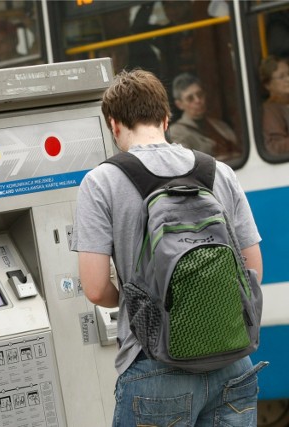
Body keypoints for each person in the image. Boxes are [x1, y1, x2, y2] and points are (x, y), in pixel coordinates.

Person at [72, 69, 265, 425]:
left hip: (154, 365)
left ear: (114, 124)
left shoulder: (100, 183)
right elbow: (253, 268)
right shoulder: (219, 172)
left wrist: (144, 298)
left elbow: (96, 288)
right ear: (165, 117)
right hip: (233, 360)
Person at [168, 72, 242, 161]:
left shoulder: (220, 125)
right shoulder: (175, 133)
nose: (198, 101)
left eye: (200, 94)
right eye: (190, 98)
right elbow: (187, 164)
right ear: (179, 104)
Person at [259, 55, 289, 155]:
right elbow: (275, 147)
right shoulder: (270, 110)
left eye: (288, 74)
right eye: (281, 77)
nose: (288, 79)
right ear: (268, 85)